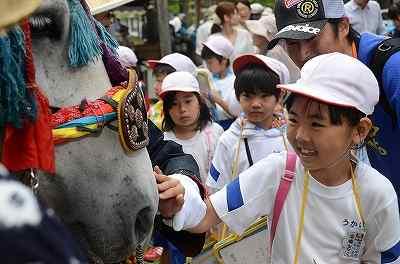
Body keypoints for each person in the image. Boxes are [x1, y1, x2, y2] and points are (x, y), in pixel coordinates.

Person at [157, 53, 400, 263]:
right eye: (293, 120)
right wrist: (179, 200)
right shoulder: (279, 171)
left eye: (316, 124)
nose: (301, 136)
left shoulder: (377, 193)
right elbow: (207, 215)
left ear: (359, 130)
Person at [268, 0, 400, 208]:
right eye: (291, 43)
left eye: (311, 37)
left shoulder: (393, 69)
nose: (303, 55)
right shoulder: (317, 82)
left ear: (344, 26)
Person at [207, 54, 290, 191]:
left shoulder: (290, 136)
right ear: (238, 97)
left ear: (279, 97)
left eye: (264, 96)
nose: (256, 104)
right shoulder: (229, 141)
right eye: (248, 96)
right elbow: (216, 190)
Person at [160, 71, 224, 187]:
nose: (182, 109)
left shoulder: (215, 133)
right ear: (167, 109)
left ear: (199, 102)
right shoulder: (163, 142)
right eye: (174, 104)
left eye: (188, 101)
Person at [146, 53, 197, 129]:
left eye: (161, 81)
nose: (155, 86)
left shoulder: (190, 114)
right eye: (156, 81)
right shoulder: (156, 108)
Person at [200, 35, 240, 129]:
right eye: (206, 63)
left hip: (230, 126)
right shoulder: (208, 78)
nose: (208, 66)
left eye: (210, 62)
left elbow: (237, 113)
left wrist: (217, 99)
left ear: (224, 60)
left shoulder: (235, 81)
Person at [245, 15, 300, 82]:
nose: (253, 34)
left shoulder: (274, 52)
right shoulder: (260, 50)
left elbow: (271, 80)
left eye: (257, 33)